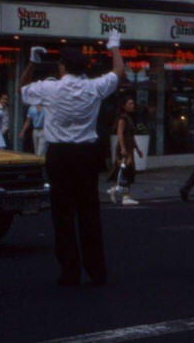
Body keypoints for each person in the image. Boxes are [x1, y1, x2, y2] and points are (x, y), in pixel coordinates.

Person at [19, 33, 125, 286]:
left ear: (63, 66)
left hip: (59, 155)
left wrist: (33, 62)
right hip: (87, 154)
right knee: (89, 213)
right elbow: (119, 71)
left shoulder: (50, 88)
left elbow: (22, 88)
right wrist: (115, 47)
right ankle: (97, 271)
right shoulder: (94, 87)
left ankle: (69, 271)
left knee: (62, 216)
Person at [106, 94, 143, 206]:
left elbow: (131, 136)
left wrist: (137, 149)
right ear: (124, 106)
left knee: (127, 171)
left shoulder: (129, 118)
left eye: (133, 103)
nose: (132, 105)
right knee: (126, 170)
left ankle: (117, 190)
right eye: (130, 103)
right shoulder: (122, 118)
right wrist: (122, 148)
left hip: (129, 146)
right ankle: (125, 195)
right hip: (125, 147)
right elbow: (120, 134)